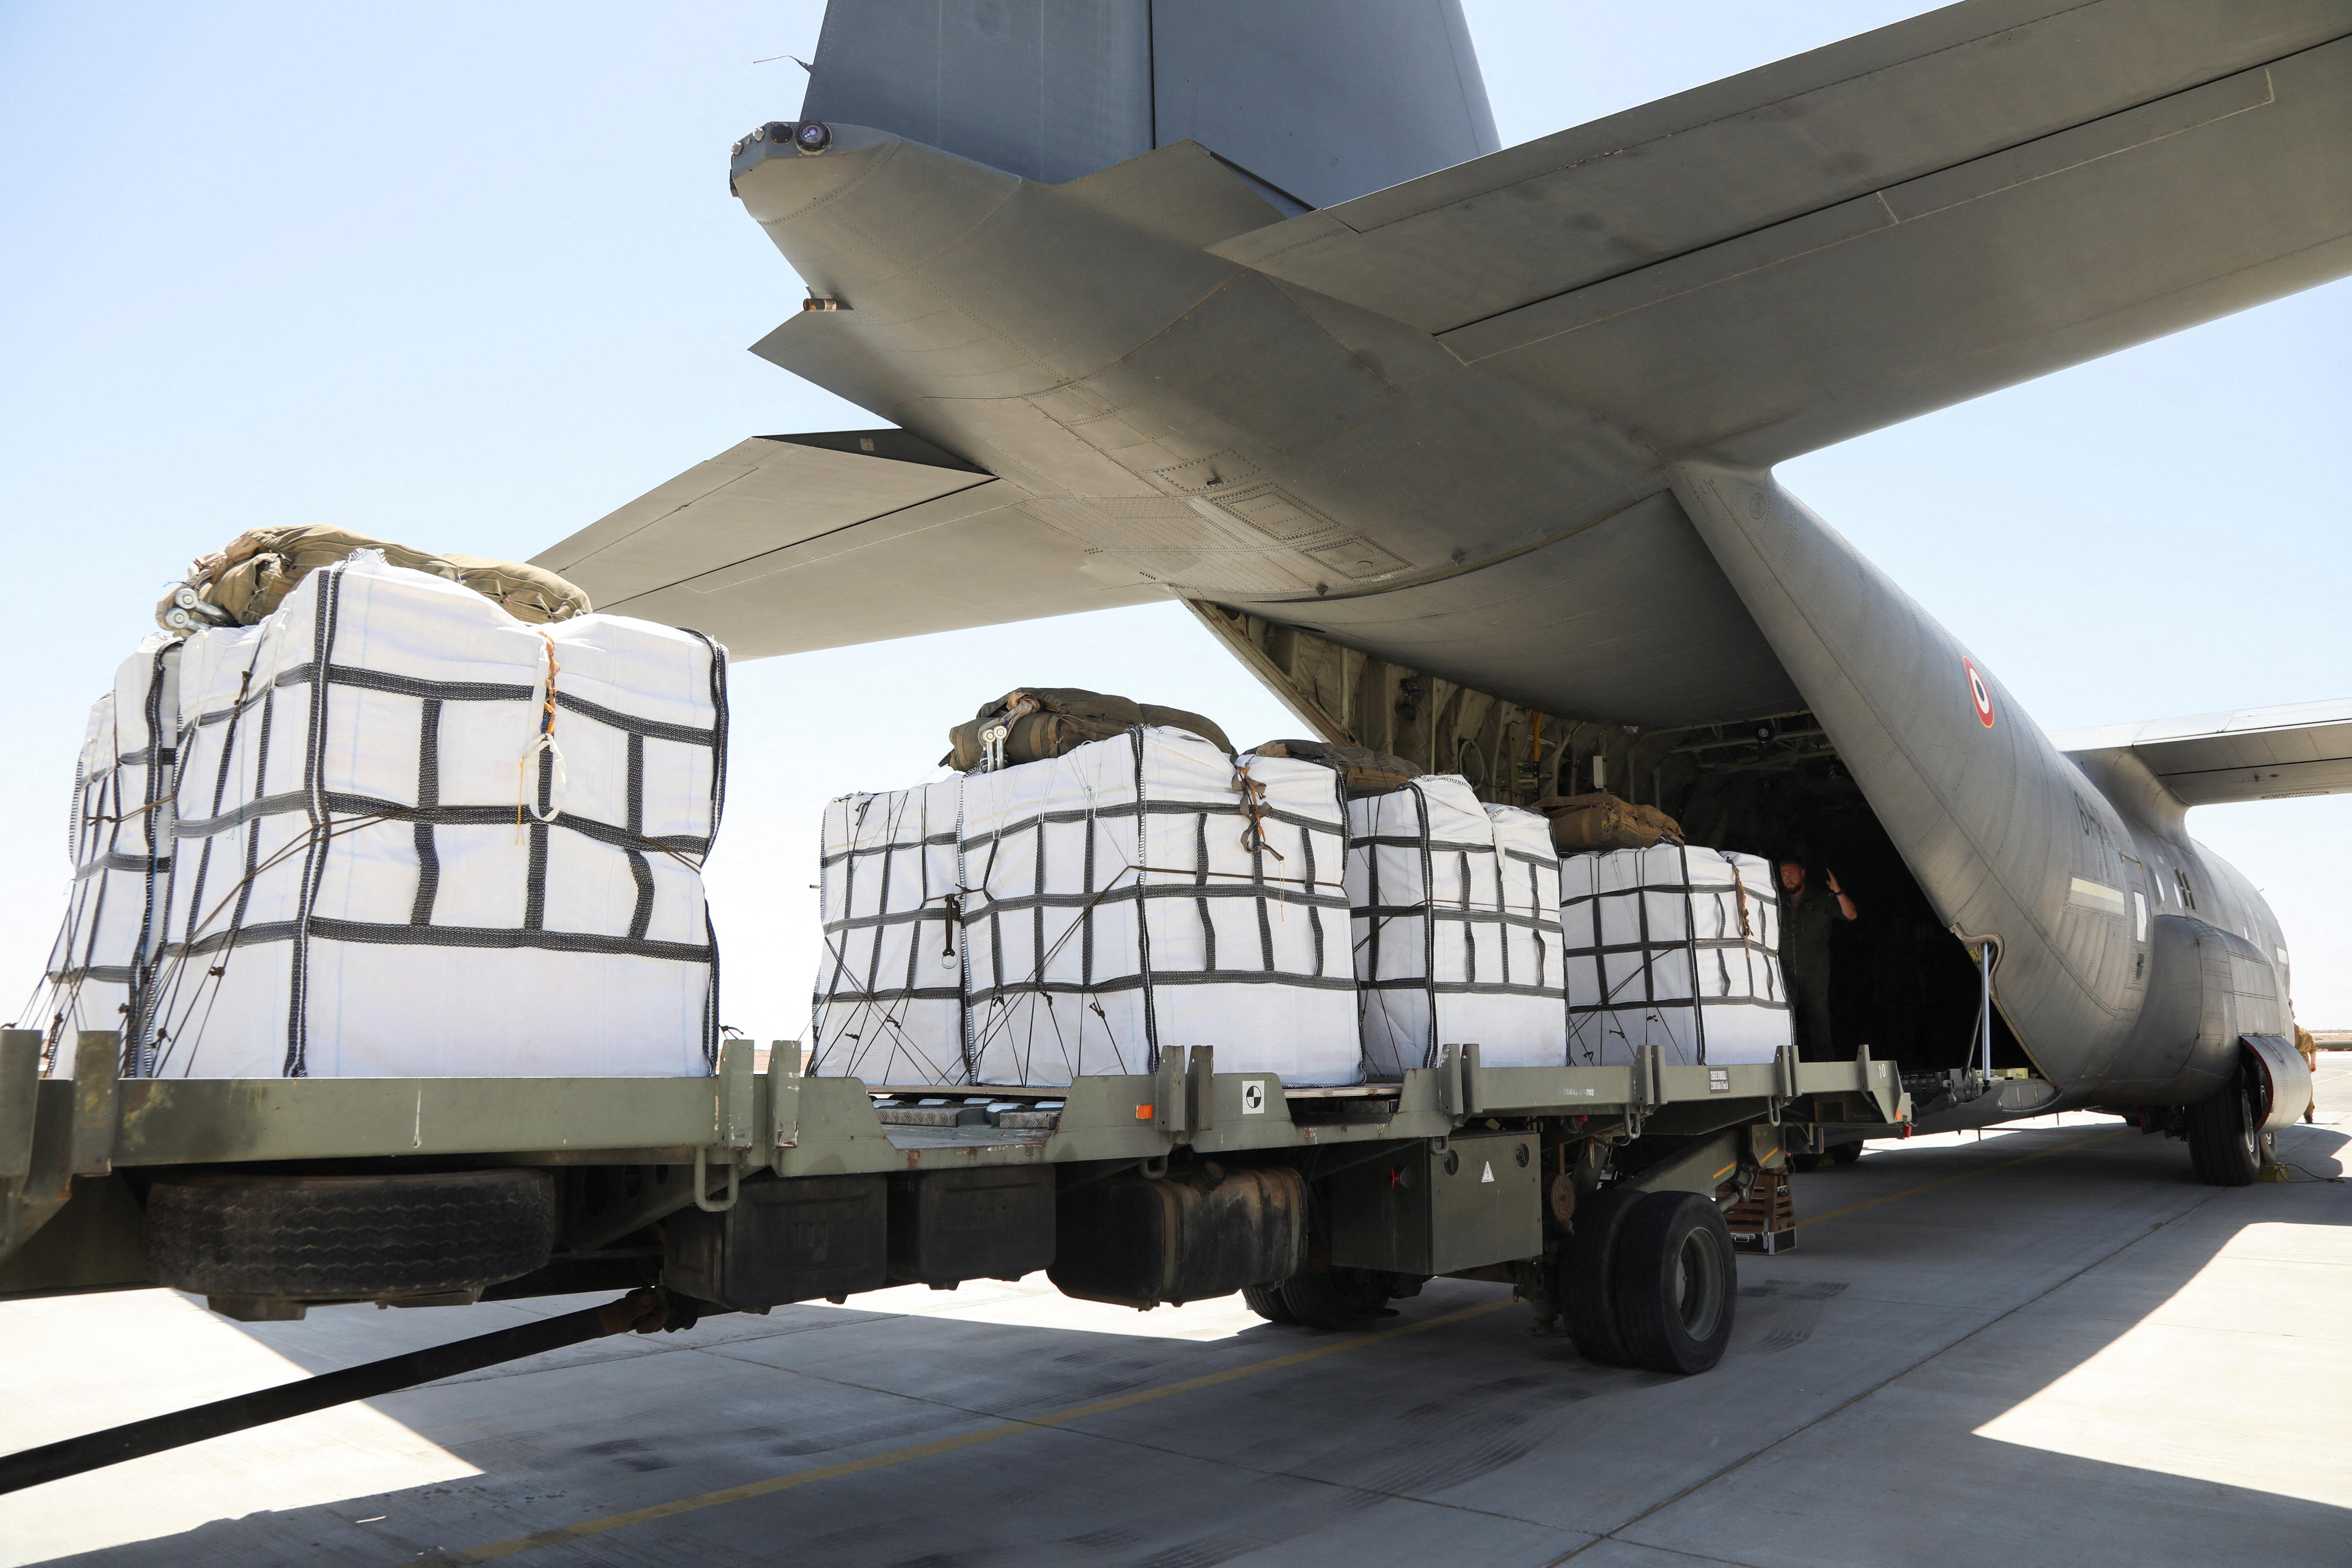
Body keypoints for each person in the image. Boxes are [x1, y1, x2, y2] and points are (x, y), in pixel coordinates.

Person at [1778, 856, 1858, 1060]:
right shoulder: (1778, 900)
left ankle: (1825, 1070)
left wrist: (1838, 891)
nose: (1788, 879)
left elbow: (1851, 915)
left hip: (1815, 972)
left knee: (1819, 1021)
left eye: (1792, 874)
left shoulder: (1821, 897)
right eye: (1784, 875)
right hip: (1785, 970)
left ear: (1802, 873)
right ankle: (1783, 1065)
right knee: (1782, 1018)